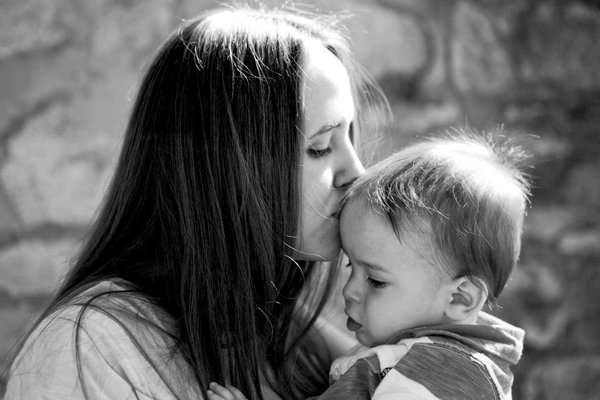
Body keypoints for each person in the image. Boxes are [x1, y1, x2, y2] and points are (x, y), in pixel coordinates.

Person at [3, 3, 388, 400]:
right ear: (228, 167)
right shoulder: (89, 349)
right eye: (322, 147)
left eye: (349, 138)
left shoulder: (301, 341)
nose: (357, 173)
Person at [207, 130, 531, 400]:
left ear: (460, 298)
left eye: (375, 280)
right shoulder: (416, 357)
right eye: (351, 266)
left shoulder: (440, 373)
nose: (350, 290)